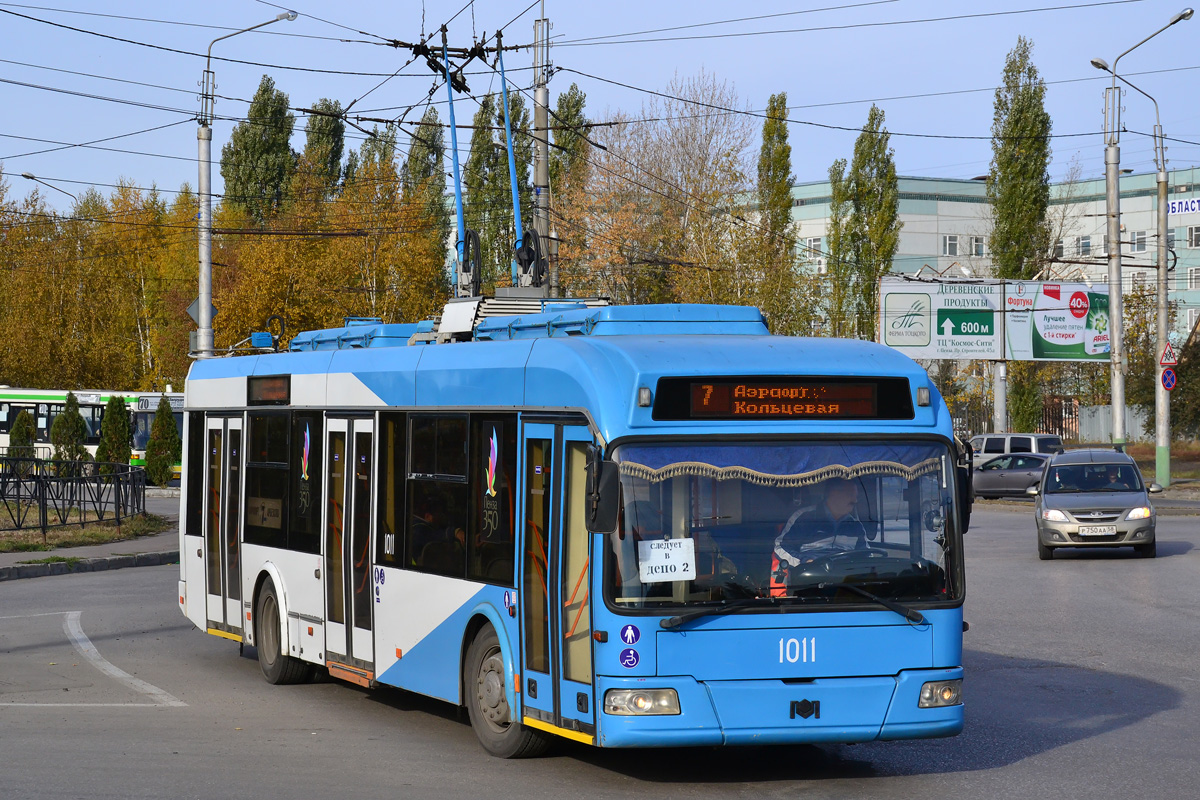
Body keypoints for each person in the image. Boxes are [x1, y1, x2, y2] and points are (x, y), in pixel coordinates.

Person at [773, 479, 869, 579]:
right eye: (850, 494)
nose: (855, 501)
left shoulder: (856, 526)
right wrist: (803, 562)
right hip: (810, 583)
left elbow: (866, 556)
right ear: (833, 494)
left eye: (856, 496)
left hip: (848, 584)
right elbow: (780, 548)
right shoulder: (804, 518)